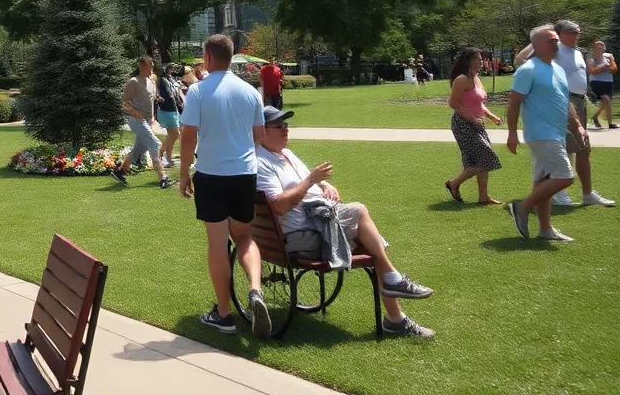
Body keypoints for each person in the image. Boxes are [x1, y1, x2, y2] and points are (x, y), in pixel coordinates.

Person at [255, 106, 435, 337]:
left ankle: (395, 311)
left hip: (317, 224)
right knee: (359, 211)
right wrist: (312, 180)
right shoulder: (262, 162)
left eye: (286, 125)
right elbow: (279, 205)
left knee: (369, 239)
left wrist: (324, 185)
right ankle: (393, 292)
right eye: (279, 126)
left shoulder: (285, 154)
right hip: (300, 236)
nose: (285, 130)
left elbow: (307, 185)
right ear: (262, 131)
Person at [178, 34, 270, 336]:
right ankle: (255, 289)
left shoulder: (198, 92)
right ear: (232, 56)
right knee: (244, 238)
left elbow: (188, 136)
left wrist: (183, 173)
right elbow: (259, 136)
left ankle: (224, 313)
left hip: (211, 173)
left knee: (218, 243)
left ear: (207, 56)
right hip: (245, 174)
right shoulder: (250, 92)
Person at [514, 21, 614, 207]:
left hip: (579, 102)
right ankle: (559, 194)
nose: (577, 34)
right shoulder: (553, 49)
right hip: (563, 102)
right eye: (572, 32)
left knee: (584, 148)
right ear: (559, 34)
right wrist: (539, 37)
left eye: (578, 31)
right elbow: (520, 61)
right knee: (565, 147)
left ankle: (587, 194)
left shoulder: (577, 53)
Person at [505, 25, 590, 242]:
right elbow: (514, 104)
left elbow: (566, 103)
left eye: (556, 40)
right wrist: (512, 133)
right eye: (551, 40)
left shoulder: (558, 70)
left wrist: (578, 126)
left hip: (557, 133)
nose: (556, 44)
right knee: (564, 176)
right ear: (537, 46)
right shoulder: (528, 70)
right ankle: (522, 207)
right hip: (541, 135)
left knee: (543, 182)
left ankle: (545, 230)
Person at [444, 48, 503, 205]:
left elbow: (478, 103)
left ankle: (483, 197)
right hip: (463, 124)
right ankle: (454, 183)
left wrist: (492, 117)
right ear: (469, 61)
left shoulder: (476, 78)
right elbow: (453, 103)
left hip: (478, 124)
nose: (481, 61)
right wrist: (470, 118)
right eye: (478, 59)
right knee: (485, 158)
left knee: (481, 160)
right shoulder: (461, 79)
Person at [110, 57, 172, 190]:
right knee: (155, 144)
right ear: (143, 66)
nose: (152, 67)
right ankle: (163, 177)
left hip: (146, 120)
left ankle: (119, 171)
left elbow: (151, 98)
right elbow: (124, 102)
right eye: (150, 65)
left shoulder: (151, 81)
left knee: (139, 148)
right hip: (135, 119)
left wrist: (153, 115)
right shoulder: (134, 82)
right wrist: (137, 114)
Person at [156, 64, 185, 168]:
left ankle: (168, 159)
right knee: (175, 134)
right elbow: (169, 94)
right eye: (170, 68)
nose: (172, 70)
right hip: (167, 110)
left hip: (174, 110)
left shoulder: (171, 79)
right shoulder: (163, 80)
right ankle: (159, 153)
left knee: (172, 136)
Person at [588, 40, 618, 129]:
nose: (600, 49)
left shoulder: (609, 57)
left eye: (601, 47)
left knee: (605, 102)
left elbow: (614, 69)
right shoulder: (591, 58)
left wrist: (611, 61)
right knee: (606, 99)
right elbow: (592, 71)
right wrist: (604, 67)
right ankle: (610, 123)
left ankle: (595, 116)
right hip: (596, 82)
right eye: (597, 47)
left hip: (608, 81)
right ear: (594, 48)